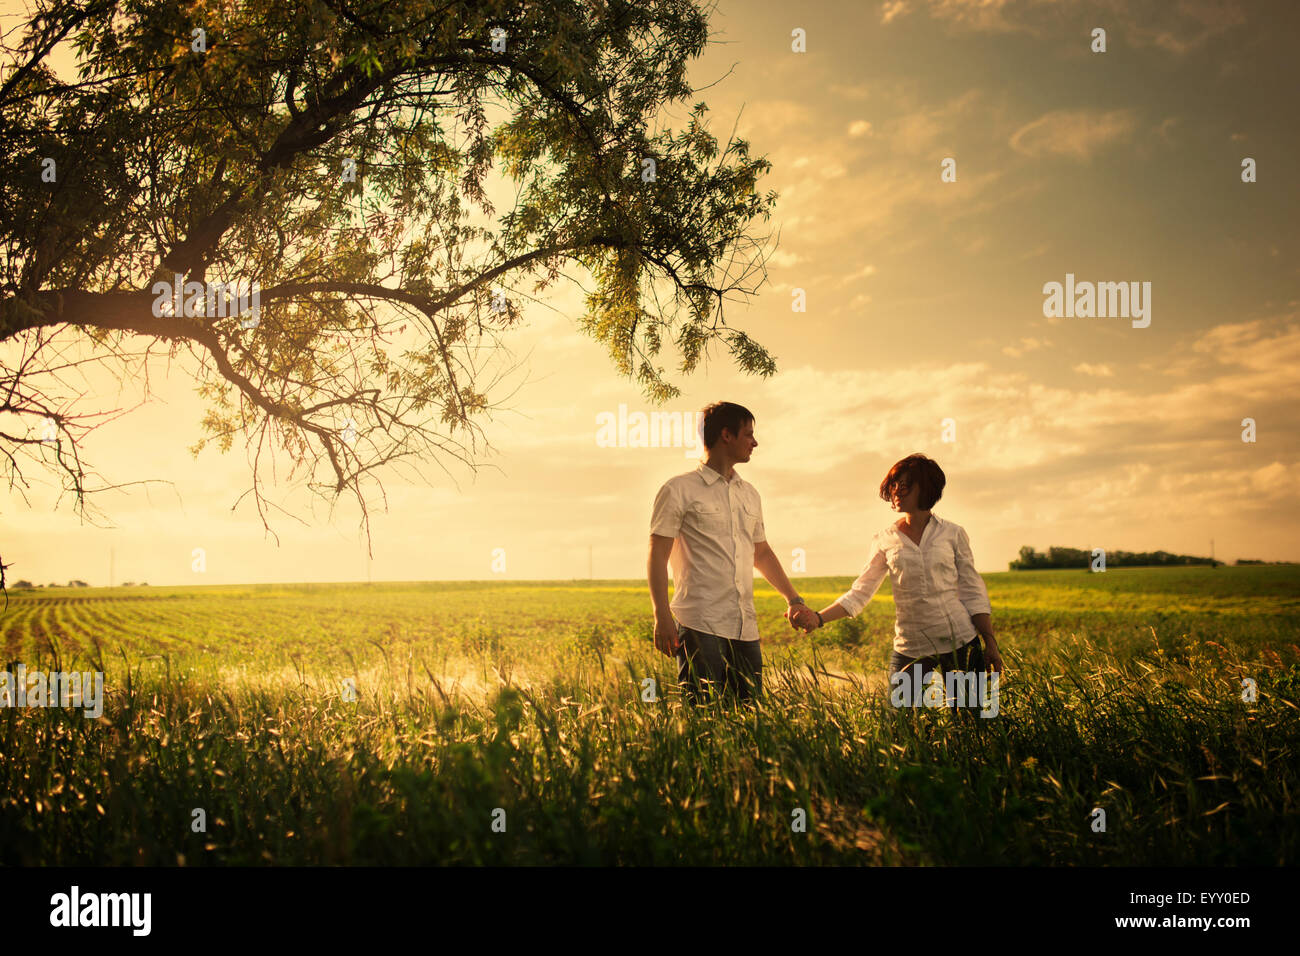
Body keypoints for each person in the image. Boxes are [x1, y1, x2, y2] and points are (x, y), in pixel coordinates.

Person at [790, 454, 1003, 712]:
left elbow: (972, 590)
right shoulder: (885, 539)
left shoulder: (953, 534)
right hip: (910, 646)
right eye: (893, 485)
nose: (895, 492)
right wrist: (818, 618)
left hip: (960, 642)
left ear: (925, 488)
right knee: (902, 726)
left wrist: (989, 641)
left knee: (977, 723)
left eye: (904, 486)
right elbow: (860, 593)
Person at [647, 401, 807, 705]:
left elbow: (761, 553)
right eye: (748, 434)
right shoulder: (678, 489)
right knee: (703, 715)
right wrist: (662, 614)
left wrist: (794, 599)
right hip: (699, 623)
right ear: (726, 435)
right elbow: (657, 555)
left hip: (744, 624)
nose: (755, 442)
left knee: (750, 714)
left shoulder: (750, 494)